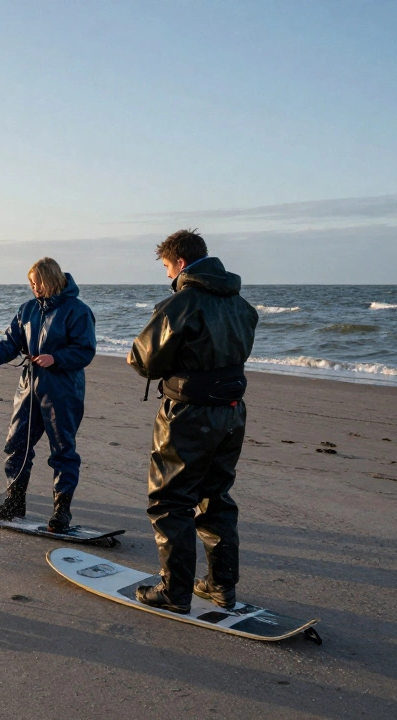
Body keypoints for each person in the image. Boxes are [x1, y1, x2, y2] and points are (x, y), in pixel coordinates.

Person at [127, 229, 258, 613]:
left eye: (167, 267)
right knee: (216, 497)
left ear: (180, 263)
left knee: (170, 500)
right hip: (232, 410)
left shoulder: (181, 304)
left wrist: (140, 359)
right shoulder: (241, 304)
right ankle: (221, 588)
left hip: (188, 411)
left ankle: (175, 591)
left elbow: (144, 360)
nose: (167, 275)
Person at [0, 258, 96, 532]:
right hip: (28, 388)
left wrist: (55, 358)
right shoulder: (28, 310)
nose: (34, 288)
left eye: (38, 283)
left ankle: (62, 511)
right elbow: (12, 341)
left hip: (63, 390)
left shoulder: (78, 311)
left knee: (63, 451)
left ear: (50, 279)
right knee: (16, 444)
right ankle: (14, 501)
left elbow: (85, 350)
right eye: (31, 283)